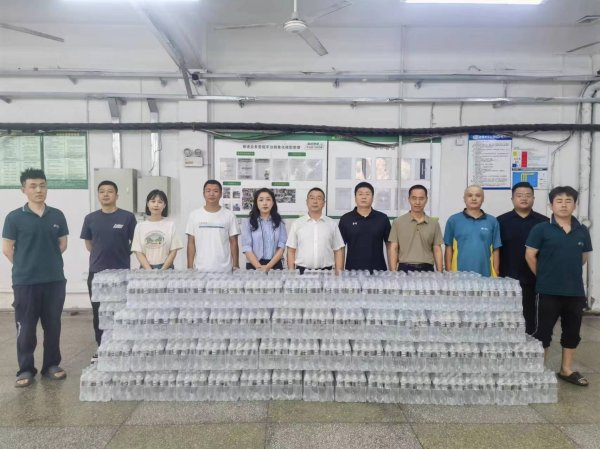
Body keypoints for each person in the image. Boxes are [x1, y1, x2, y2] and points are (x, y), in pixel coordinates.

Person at [2, 169, 68, 387]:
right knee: (26, 328)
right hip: (26, 282)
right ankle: (26, 369)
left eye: (42, 185)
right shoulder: (14, 217)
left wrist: (46, 263)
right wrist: (26, 265)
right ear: (24, 190)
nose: (39, 190)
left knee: (53, 326)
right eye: (33, 186)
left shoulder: (57, 215)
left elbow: (62, 244)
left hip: (54, 280)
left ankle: (51, 365)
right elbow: (7, 249)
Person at [525, 186, 592, 387]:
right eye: (559, 201)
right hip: (547, 291)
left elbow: (583, 258)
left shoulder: (582, 231)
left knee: (572, 332)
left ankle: (566, 370)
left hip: (575, 292)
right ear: (551, 205)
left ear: (575, 205)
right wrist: (544, 276)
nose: (564, 205)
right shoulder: (541, 229)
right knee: (543, 332)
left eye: (568, 201)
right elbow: (530, 255)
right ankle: (539, 371)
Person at [80, 180, 136, 351]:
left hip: (121, 274)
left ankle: (122, 347)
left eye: (110, 191)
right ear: (98, 195)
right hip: (97, 273)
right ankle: (102, 347)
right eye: (102, 191)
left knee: (121, 311)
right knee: (99, 313)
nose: (105, 194)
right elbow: (89, 244)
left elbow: (135, 243)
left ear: (117, 196)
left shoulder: (127, 217)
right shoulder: (90, 218)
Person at [497, 182, 548, 334]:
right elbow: (495, 250)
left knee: (531, 315)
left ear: (533, 198)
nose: (524, 198)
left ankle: (530, 341)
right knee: (506, 317)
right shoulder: (500, 221)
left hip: (534, 277)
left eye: (528, 195)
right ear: (512, 199)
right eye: (519, 195)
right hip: (507, 278)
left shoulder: (544, 222)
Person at [444, 185, 501, 276]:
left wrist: (496, 272)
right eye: (470, 195)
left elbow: (496, 249)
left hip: (486, 275)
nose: (474, 198)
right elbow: (448, 247)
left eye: (478, 195)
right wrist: (448, 272)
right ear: (464, 199)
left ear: (483, 199)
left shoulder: (492, 221)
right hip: (458, 275)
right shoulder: (453, 220)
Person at [286, 187, 345, 274]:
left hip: (326, 272)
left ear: (324, 203)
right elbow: (291, 250)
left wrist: (338, 274)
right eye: (312, 198)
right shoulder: (297, 224)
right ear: (307, 202)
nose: (315, 201)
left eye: (319, 198)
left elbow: (338, 250)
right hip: (302, 272)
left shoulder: (332, 224)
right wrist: (291, 273)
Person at [186, 179, 240, 272]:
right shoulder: (194, 215)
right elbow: (191, 242)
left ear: (221, 194)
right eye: (208, 191)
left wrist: (236, 265)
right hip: (200, 269)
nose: (211, 194)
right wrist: (189, 267)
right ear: (203, 194)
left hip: (224, 269)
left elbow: (234, 242)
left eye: (215, 191)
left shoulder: (229, 215)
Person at [388, 184, 443, 272]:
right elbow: (393, 248)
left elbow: (437, 249)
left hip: (427, 269)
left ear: (426, 200)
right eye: (414, 198)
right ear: (409, 199)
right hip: (404, 269)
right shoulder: (398, 222)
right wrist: (393, 272)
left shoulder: (434, 223)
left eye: (421, 198)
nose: (417, 202)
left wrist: (440, 273)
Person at [338, 182, 391, 272]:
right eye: (360, 194)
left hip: (378, 271)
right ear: (355, 197)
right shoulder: (346, 219)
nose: (364, 197)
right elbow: (340, 247)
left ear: (372, 197)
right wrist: (340, 271)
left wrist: (392, 271)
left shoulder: (382, 218)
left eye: (367, 194)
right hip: (352, 272)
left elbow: (390, 246)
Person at [132, 189, 183, 270]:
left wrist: (162, 270)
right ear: (148, 204)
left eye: (160, 202)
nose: (156, 205)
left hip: (166, 269)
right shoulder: (140, 226)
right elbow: (138, 251)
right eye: (153, 201)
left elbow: (173, 250)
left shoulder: (171, 225)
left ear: (164, 205)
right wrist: (149, 270)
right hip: (145, 269)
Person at [241, 188, 287, 271]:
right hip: (253, 265)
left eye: (268, 199)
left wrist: (268, 266)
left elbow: (281, 246)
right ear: (256, 203)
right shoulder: (248, 222)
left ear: (273, 202)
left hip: (275, 265)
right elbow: (246, 247)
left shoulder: (279, 222)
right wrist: (259, 267)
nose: (265, 203)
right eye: (261, 200)